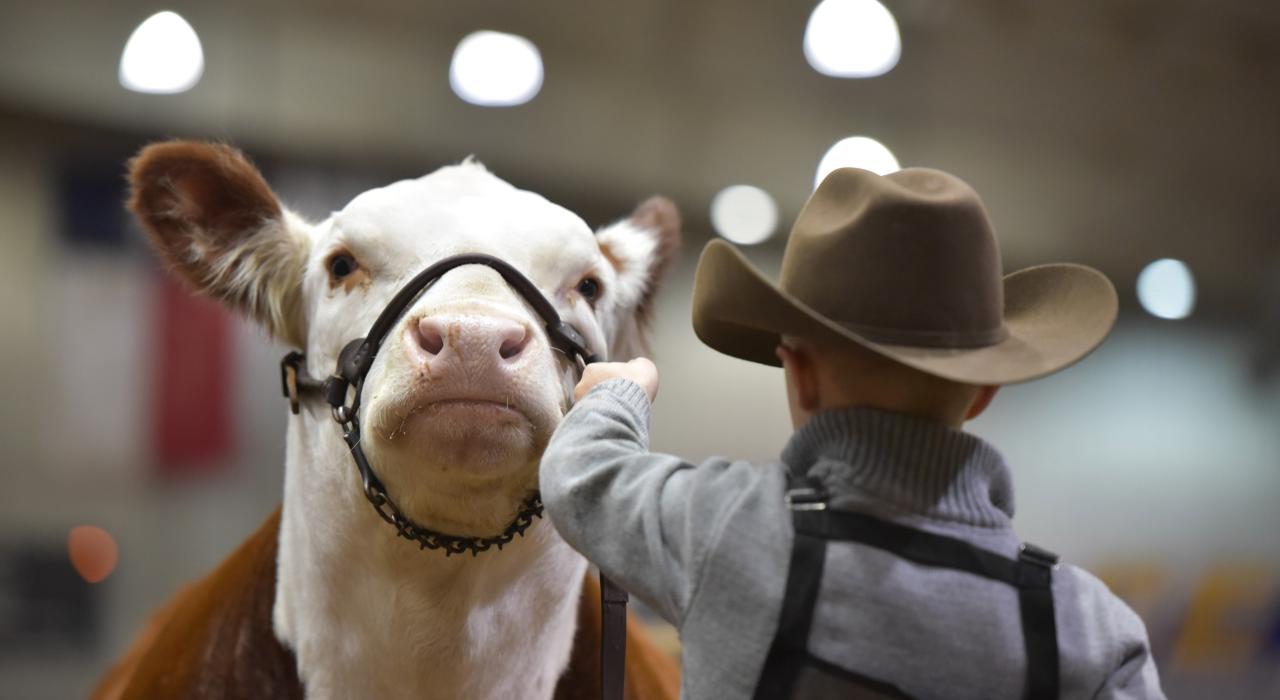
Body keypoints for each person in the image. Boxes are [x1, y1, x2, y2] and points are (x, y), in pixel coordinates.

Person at [539, 167, 1165, 699]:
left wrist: (617, 394)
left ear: (800, 374)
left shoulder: (727, 528)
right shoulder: (1092, 629)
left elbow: (582, 477)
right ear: (984, 392)